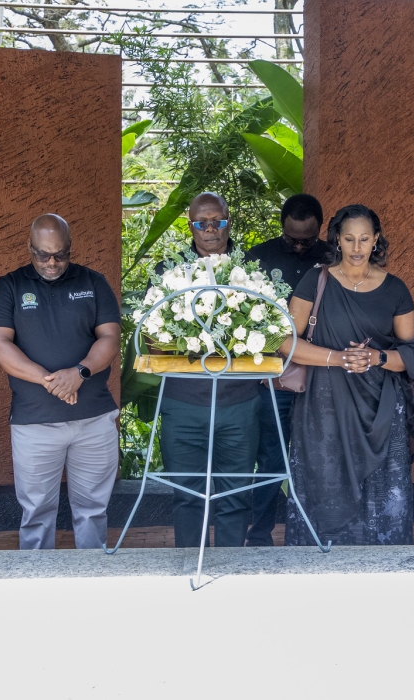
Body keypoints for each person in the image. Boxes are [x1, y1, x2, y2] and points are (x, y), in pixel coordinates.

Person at [281, 204, 414, 546]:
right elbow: (284, 342)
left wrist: (377, 357)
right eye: (349, 239)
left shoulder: (394, 288)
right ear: (337, 239)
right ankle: (320, 565)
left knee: (382, 490)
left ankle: (383, 571)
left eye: (365, 239)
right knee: (324, 484)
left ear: (376, 239)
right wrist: (338, 358)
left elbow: (412, 353)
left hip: (380, 408)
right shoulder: (315, 281)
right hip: (324, 406)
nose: (358, 247)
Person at [0, 214, 122, 549]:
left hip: (93, 419)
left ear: (70, 248)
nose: (51, 262)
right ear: (30, 248)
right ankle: (36, 584)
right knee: (36, 511)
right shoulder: (10, 286)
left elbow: (110, 337)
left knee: (92, 510)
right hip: (35, 422)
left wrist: (80, 373)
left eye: (60, 255)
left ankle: (92, 579)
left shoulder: (92, 282)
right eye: (42, 254)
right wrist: (54, 382)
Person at [152, 192, 262, 548]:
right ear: (191, 226)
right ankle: (188, 565)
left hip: (239, 401)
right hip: (183, 402)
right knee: (187, 496)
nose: (211, 229)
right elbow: (152, 338)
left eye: (219, 221)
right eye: (202, 222)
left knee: (235, 496)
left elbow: (270, 333)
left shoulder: (251, 268)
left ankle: (230, 570)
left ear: (230, 221)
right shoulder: (167, 272)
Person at [243, 193, 327, 546]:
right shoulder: (258, 257)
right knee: (271, 460)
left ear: (320, 230)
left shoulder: (333, 259)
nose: (297, 245)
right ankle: (260, 535)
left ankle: (314, 533)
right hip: (270, 379)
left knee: (319, 459)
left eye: (306, 240)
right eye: (291, 237)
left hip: (323, 377)